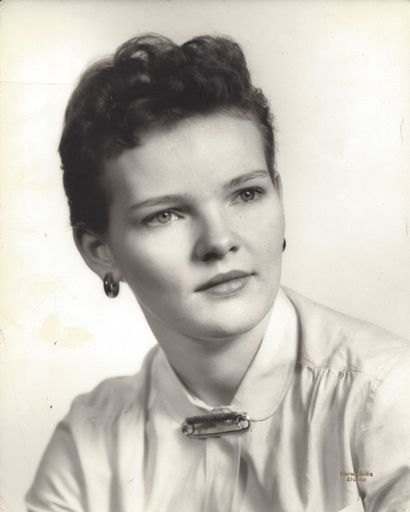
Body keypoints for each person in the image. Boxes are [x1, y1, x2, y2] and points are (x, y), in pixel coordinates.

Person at [26, 33, 410, 512]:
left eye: (246, 194)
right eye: (165, 215)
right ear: (100, 251)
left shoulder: (386, 396)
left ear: (278, 194)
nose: (219, 240)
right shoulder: (89, 443)